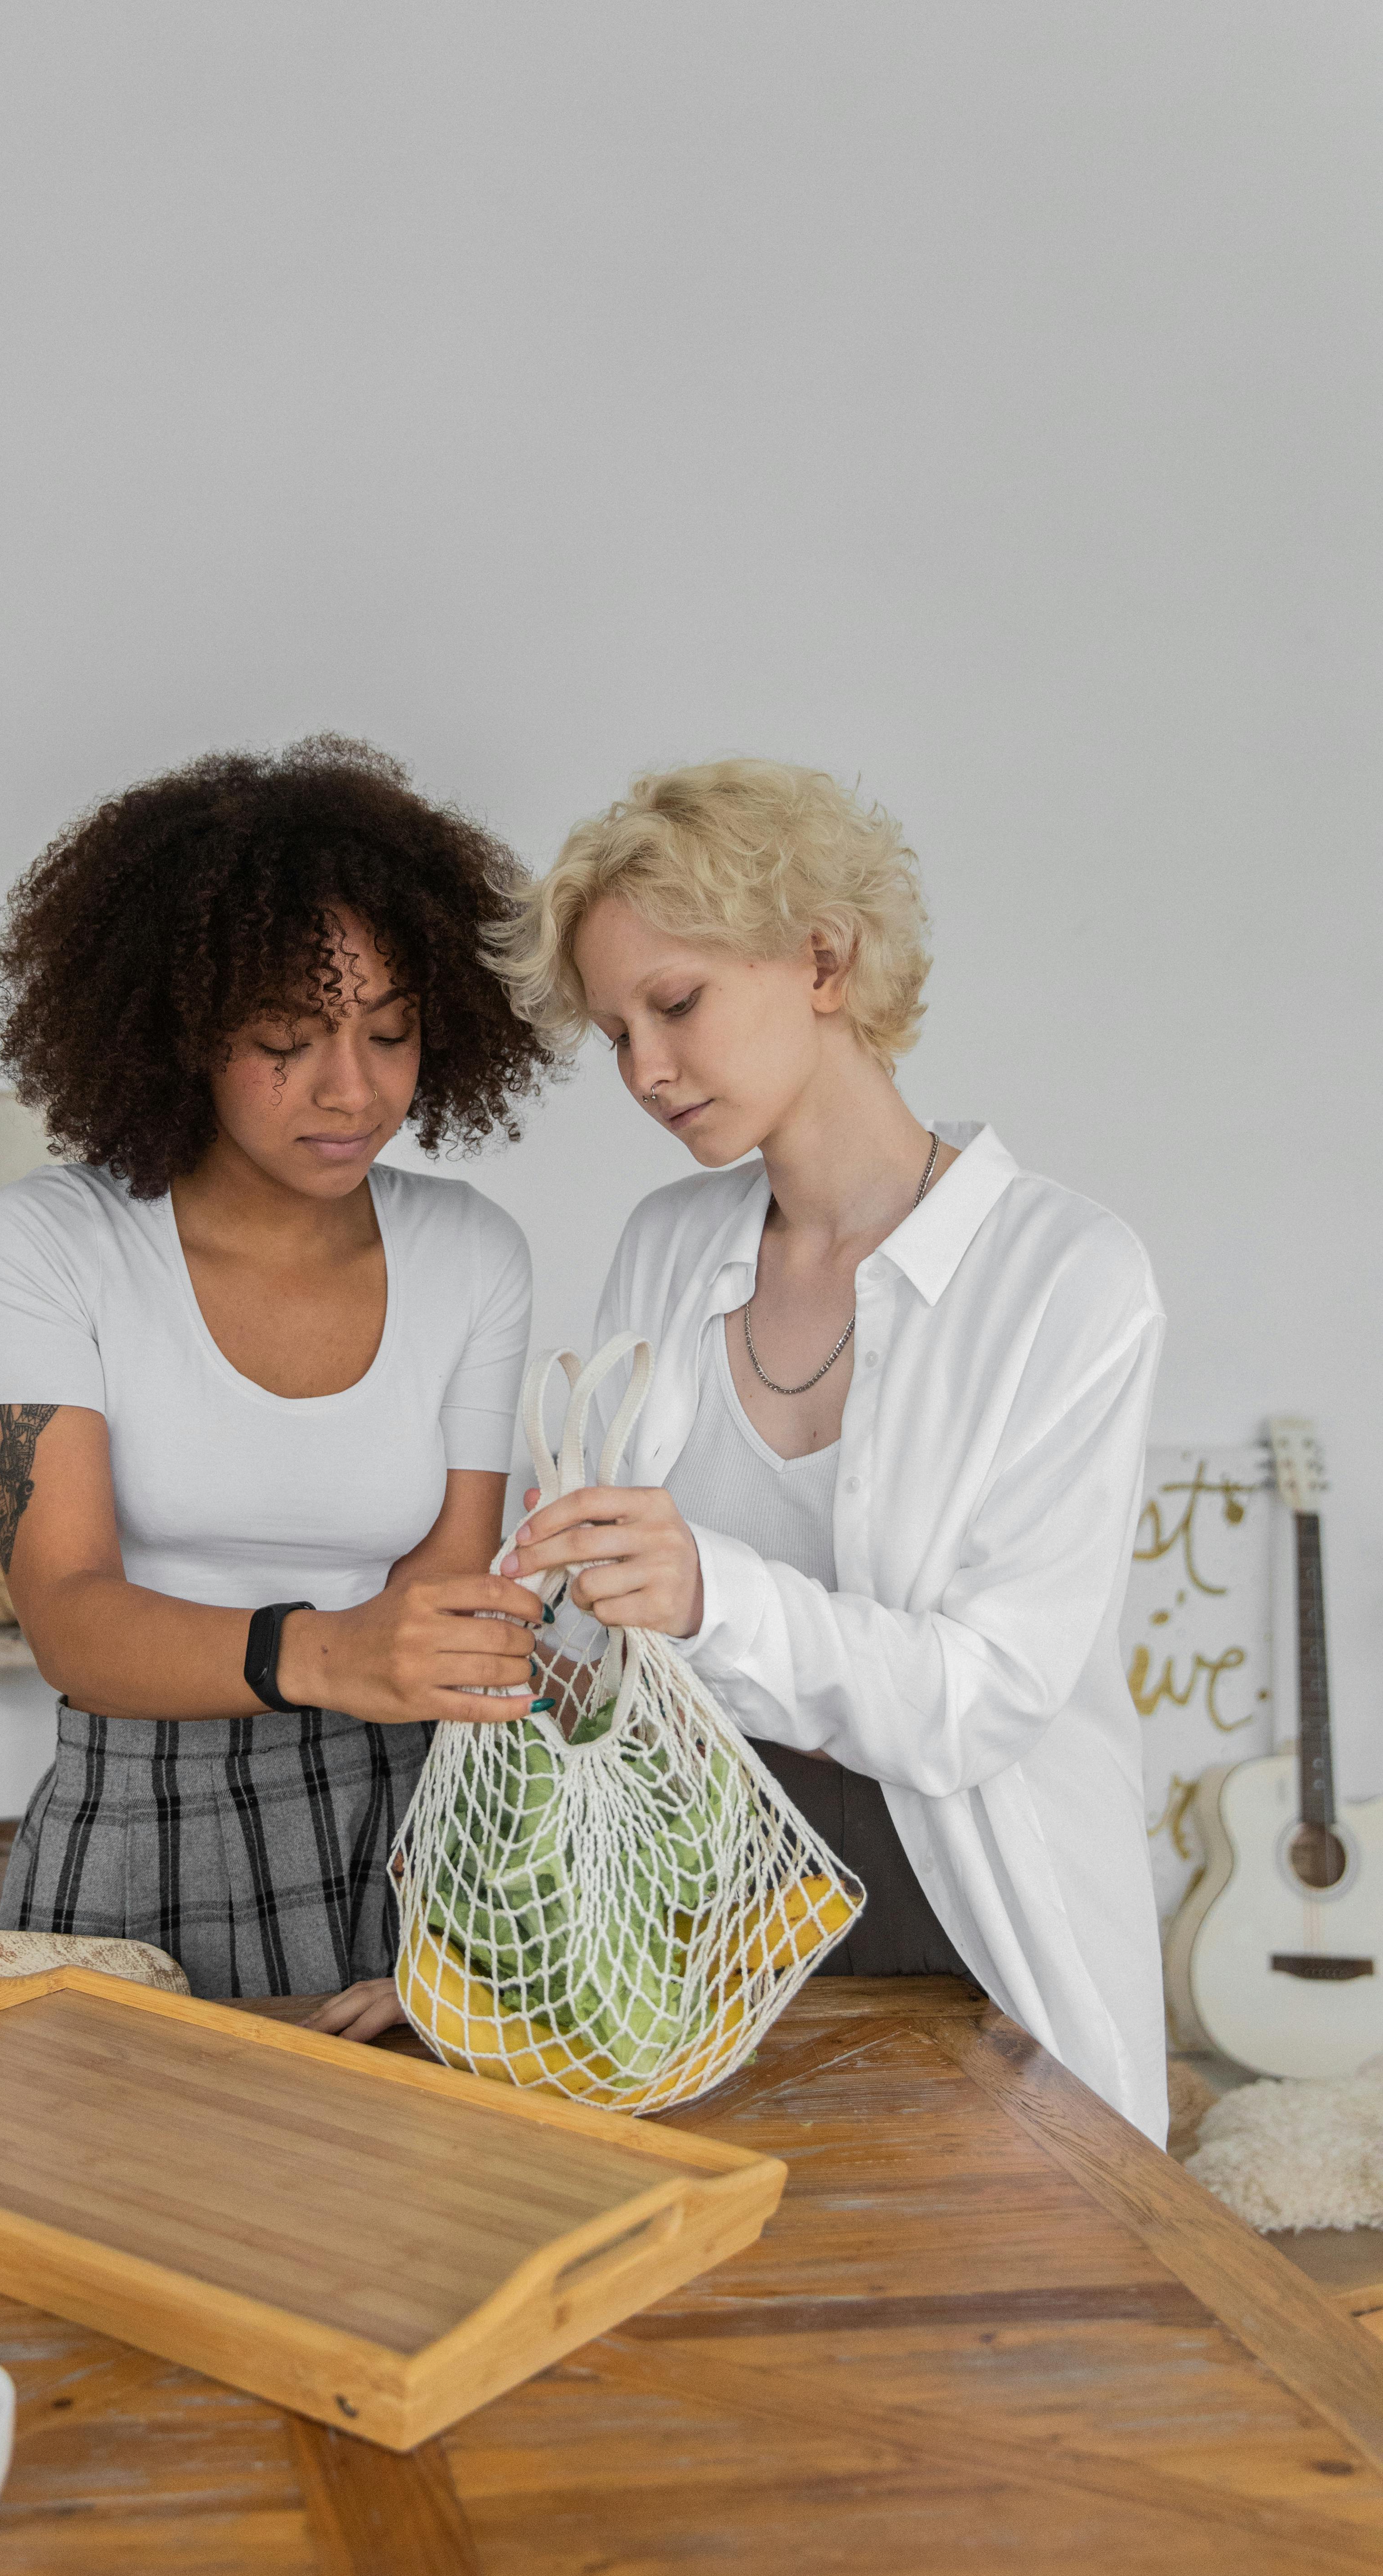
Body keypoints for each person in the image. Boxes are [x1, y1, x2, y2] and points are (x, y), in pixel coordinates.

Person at [489, 757, 1169, 2144]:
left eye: (675, 1006)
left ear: (824, 956)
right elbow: (596, 1654)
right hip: (709, 1930)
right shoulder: (666, 1247)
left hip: (981, 1934)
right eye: (615, 1033)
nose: (645, 1072)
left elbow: (982, 1702)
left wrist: (706, 1591)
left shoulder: (1070, 1277)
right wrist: (494, 1950)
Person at [0, 734, 548, 2022]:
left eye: (391, 1035)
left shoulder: (472, 1256)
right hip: (138, 1813)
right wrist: (333, 1653)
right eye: (287, 1039)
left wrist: (469, 1907)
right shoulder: (51, 1244)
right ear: (182, 1030)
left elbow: (446, 1603)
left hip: (405, 1823)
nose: (352, 1089)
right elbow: (68, 1615)